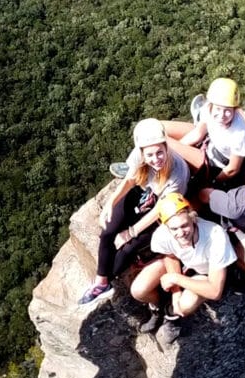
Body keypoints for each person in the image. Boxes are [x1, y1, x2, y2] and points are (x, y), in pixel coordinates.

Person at [80, 118, 191, 304]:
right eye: (150, 155)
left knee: (127, 248)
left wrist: (131, 232)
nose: (155, 160)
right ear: (142, 152)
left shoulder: (177, 173)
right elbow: (130, 180)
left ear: (166, 147)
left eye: (159, 153)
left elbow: (159, 209)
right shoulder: (140, 153)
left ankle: (106, 281)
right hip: (144, 191)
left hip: (166, 207)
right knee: (107, 231)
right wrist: (110, 202)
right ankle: (101, 280)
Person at [130, 192, 237, 345]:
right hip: (183, 263)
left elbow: (215, 291)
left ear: (193, 217)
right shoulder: (162, 234)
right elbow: (170, 255)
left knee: (185, 305)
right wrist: (176, 292)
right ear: (164, 224)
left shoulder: (215, 235)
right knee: (138, 290)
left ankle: (171, 313)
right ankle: (158, 308)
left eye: (185, 225)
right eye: (174, 229)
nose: (181, 233)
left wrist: (176, 279)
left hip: (205, 272)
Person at [162, 77, 245, 189]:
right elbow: (198, 134)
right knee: (155, 127)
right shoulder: (207, 108)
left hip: (215, 165)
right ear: (211, 105)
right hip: (209, 142)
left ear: (235, 109)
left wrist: (213, 182)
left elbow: (232, 169)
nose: (222, 115)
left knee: (162, 141)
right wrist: (180, 148)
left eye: (227, 110)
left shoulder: (239, 134)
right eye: (218, 109)